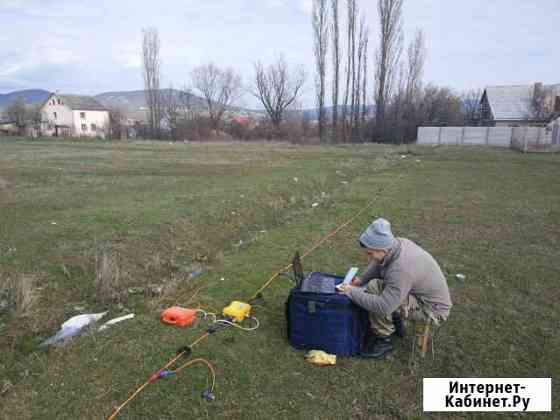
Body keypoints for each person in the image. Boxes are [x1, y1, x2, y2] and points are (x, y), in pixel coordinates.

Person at [337, 218, 452, 359]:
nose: (367, 258)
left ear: (384, 249)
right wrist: (361, 281)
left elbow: (384, 306)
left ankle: (383, 339)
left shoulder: (401, 268)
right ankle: (396, 323)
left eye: (370, 253)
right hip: (418, 296)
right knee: (373, 285)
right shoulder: (397, 244)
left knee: (375, 289)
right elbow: (379, 263)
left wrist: (350, 291)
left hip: (431, 309)